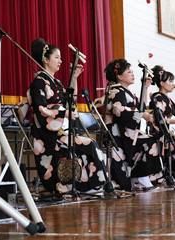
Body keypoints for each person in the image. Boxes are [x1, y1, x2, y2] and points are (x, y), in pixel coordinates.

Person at [27, 38, 107, 195]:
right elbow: (42, 109)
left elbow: (71, 101)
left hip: (61, 130)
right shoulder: (39, 81)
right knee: (90, 145)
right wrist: (64, 113)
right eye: (56, 57)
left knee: (89, 145)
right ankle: (91, 184)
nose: (60, 61)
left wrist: (74, 77)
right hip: (48, 134)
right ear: (45, 59)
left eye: (60, 58)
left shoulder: (55, 82)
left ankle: (85, 183)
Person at [103, 59, 163, 190]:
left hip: (127, 131)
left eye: (132, 71)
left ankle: (139, 177)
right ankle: (140, 176)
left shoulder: (125, 91)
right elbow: (119, 111)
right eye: (129, 72)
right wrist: (141, 115)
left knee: (153, 140)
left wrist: (145, 88)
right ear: (119, 76)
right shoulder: (116, 90)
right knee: (150, 142)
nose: (132, 74)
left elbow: (141, 106)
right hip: (118, 132)